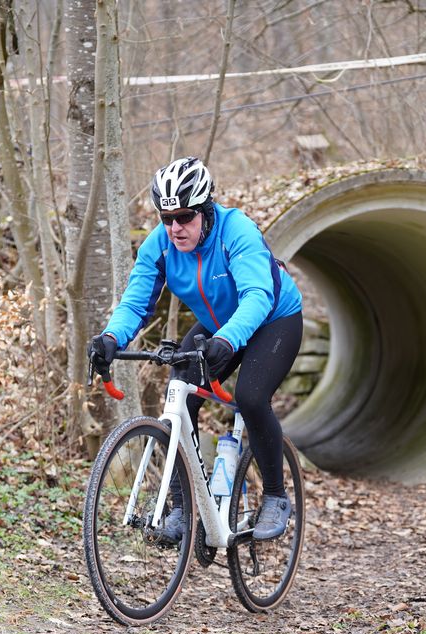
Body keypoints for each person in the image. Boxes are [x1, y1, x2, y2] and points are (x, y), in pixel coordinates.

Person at [89, 156, 303, 542]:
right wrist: (111, 338)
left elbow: (257, 295)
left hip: (274, 319)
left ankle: (275, 496)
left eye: (185, 217)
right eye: (166, 218)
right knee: (180, 395)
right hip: (219, 322)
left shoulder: (236, 230)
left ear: (205, 210)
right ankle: (182, 508)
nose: (175, 228)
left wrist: (227, 340)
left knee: (251, 397)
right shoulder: (160, 244)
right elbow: (136, 303)